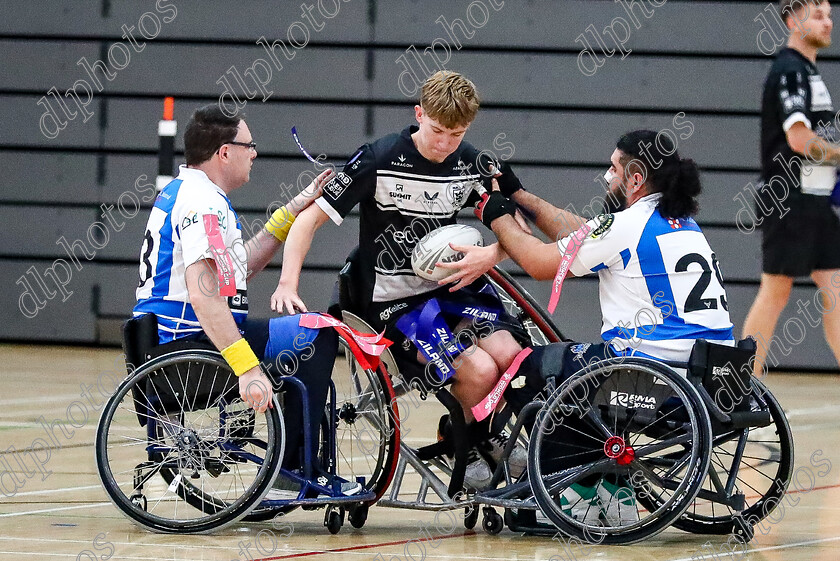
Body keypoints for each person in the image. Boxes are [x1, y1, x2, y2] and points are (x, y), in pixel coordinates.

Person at [271, 71, 528, 489]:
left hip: (448, 289)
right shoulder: (379, 157)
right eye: (438, 130)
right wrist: (287, 282)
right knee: (480, 370)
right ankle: (474, 444)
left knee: (511, 352)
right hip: (390, 303)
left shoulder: (474, 162)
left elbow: (520, 221)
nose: (445, 144)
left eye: (457, 134)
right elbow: (307, 221)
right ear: (419, 114)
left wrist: (492, 254)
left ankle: (473, 431)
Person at [476, 129, 735, 523]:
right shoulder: (677, 223)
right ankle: (613, 491)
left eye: (613, 168)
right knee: (584, 364)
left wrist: (494, 214)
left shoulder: (626, 226)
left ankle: (569, 495)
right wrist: (519, 196)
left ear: (634, 178)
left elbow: (539, 262)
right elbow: (583, 233)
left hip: (654, 378)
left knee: (534, 370)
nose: (607, 176)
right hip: (709, 376)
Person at [132, 104, 359, 496]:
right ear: (224, 152)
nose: (254, 153)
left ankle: (291, 463)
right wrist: (247, 369)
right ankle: (291, 471)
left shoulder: (188, 192)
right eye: (248, 145)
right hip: (192, 342)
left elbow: (239, 269)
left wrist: (296, 207)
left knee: (311, 331)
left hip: (179, 338)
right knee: (318, 333)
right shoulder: (202, 204)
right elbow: (205, 298)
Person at [744, 0, 840, 375]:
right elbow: (800, 139)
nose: (828, 22)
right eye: (818, 15)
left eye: (830, 14)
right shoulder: (788, 71)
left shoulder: (808, 71)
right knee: (775, 292)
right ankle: (739, 388)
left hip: (815, 202)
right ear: (791, 18)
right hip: (788, 200)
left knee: (835, 290)